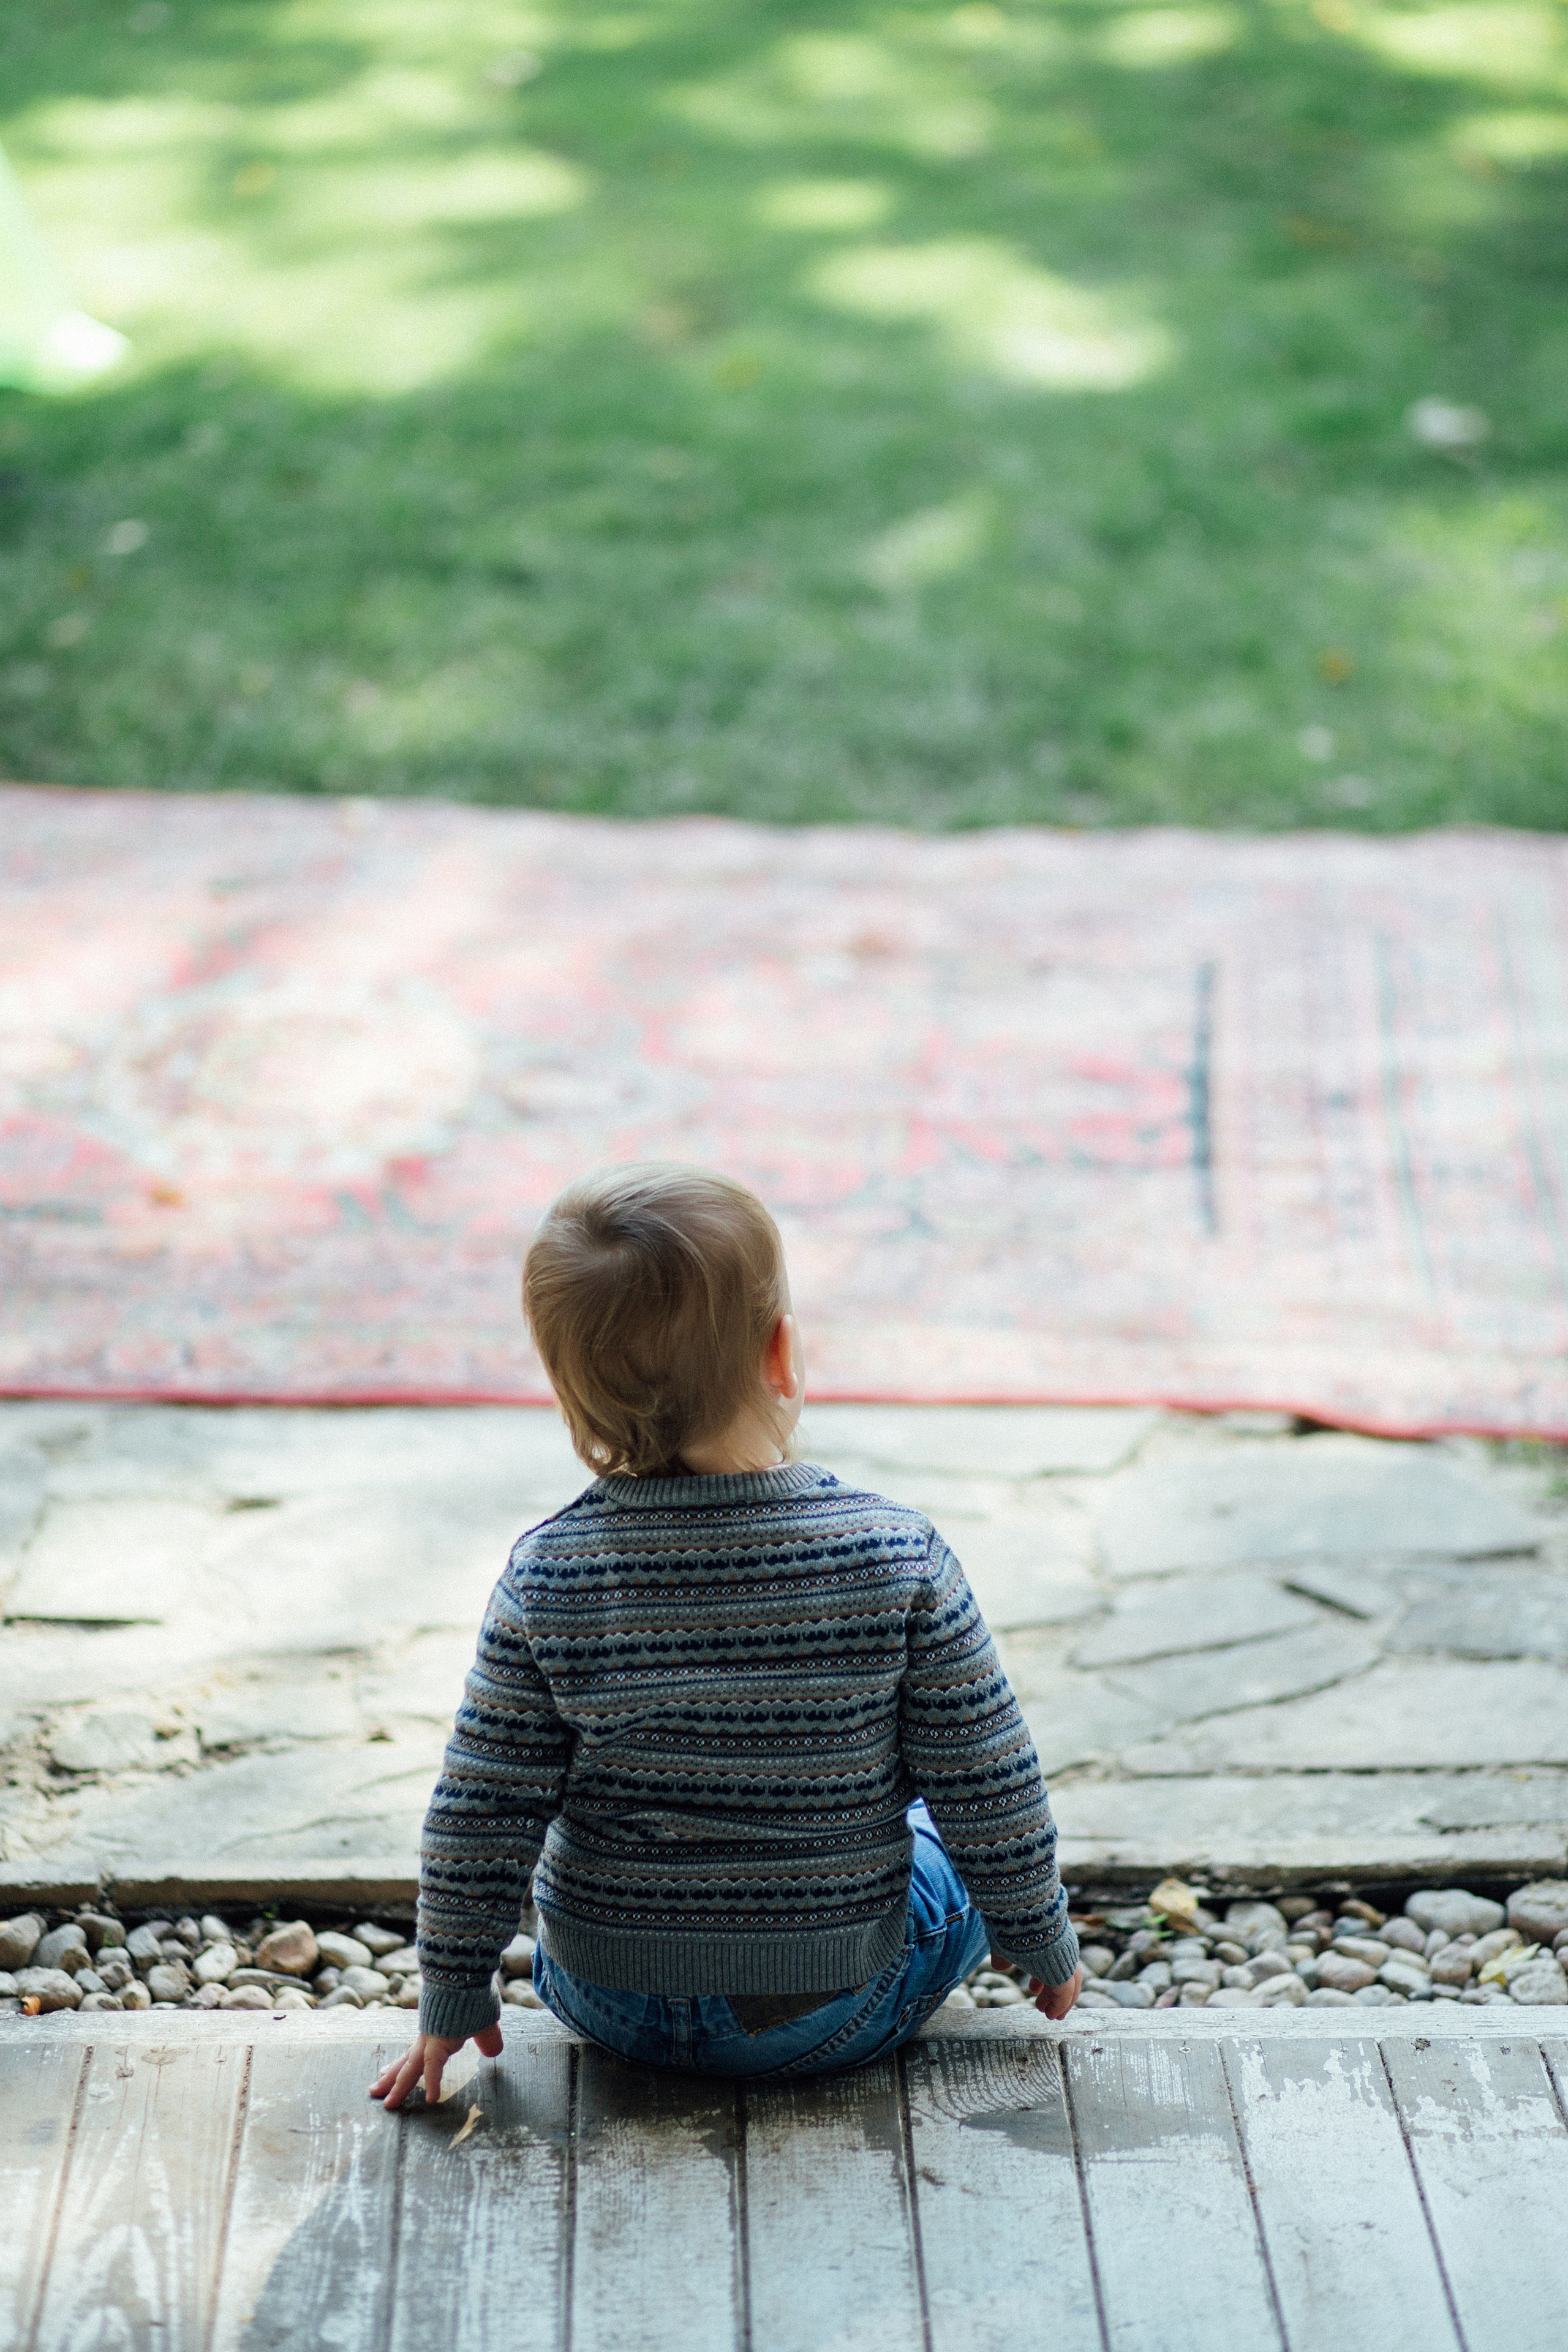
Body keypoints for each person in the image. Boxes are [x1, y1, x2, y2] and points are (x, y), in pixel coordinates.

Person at [372, 1163, 1081, 2111]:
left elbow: (480, 1811)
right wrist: (1038, 1935)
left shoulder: (548, 1577)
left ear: (569, 1391)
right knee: (936, 1840)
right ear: (781, 1353)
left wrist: (453, 1988)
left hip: (605, 1998)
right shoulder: (896, 1557)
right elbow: (988, 1778)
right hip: (834, 2004)